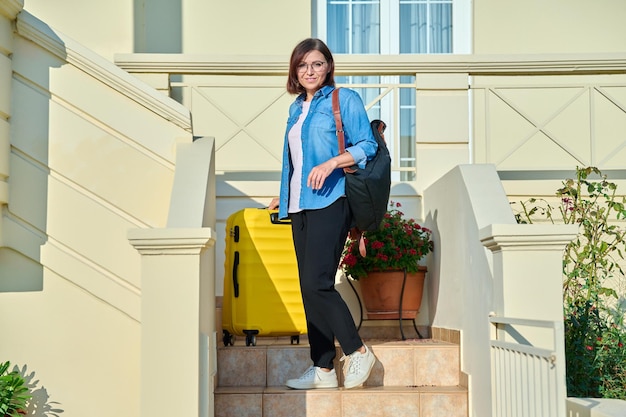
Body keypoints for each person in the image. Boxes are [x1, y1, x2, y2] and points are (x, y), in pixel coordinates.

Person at [268, 38, 378, 390]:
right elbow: (296, 159)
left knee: (317, 282)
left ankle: (357, 350)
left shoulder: (343, 99)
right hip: (299, 205)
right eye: (302, 65)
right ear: (294, 72)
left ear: (328, 66)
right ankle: (323, 368)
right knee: (307, 287)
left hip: (332, 200)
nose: (309, 71)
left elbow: (367, 145)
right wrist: (283, 195)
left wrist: (332, 163)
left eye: (316, 64)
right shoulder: (297, 108)